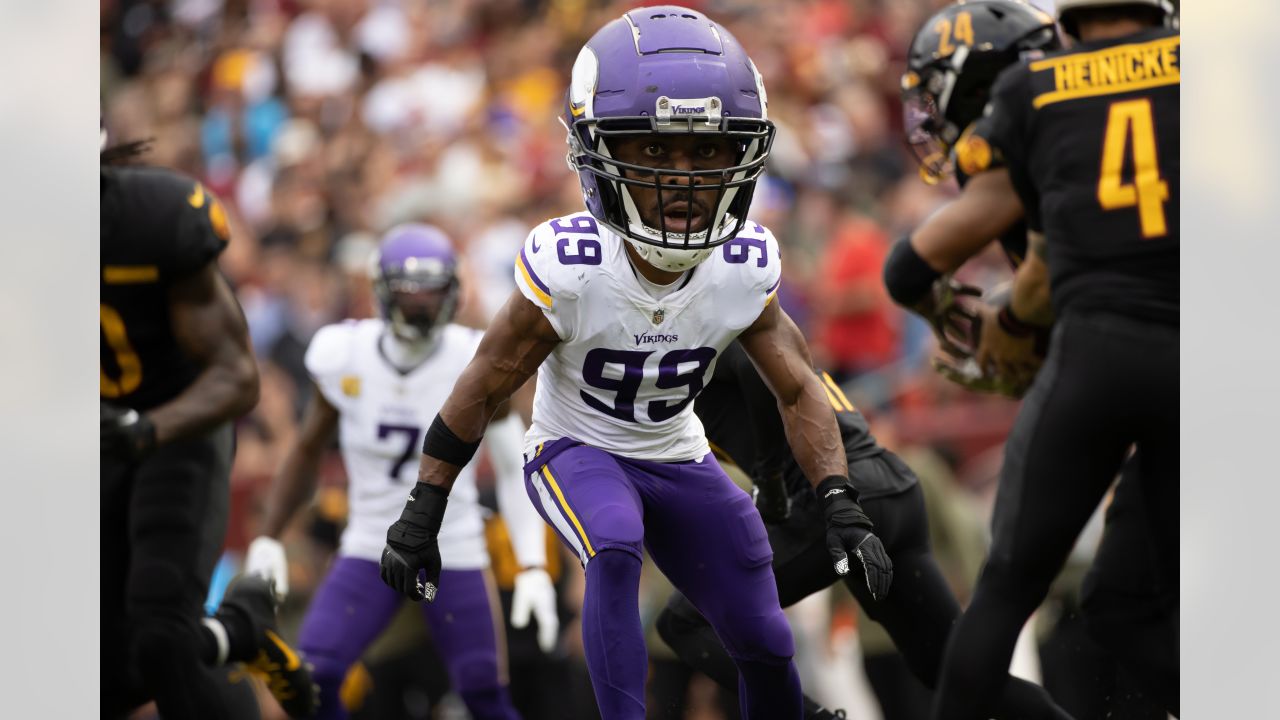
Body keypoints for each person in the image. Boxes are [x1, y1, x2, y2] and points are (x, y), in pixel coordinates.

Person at [376, 7, 893, 720]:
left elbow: (800, 389)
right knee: (613, 543)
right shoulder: (571, 266)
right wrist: (421, 511)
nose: (682, 179)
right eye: (654, 150)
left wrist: (840, 504)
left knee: (766, 638)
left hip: (677, 453)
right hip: (575, 447)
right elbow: (484, 383)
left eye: (708, 153)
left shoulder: (743, 264)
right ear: (598, 153)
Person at [887, 4, 1178, 713]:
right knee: (1124, 600)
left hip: (1102, 354)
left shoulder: (1032, 94)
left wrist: (1001, 321)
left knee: (1007, 592)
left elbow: (931, 267)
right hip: (1210, 360)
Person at [654, 341, 1071, 720]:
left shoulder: (708, 324)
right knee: (950, 670)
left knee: (686, 622)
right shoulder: (705, 328)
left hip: (838, 497)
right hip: (888, 485)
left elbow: (751, 361)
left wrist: (772, 475)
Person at [246, 224, 559, 720]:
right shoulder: (344, 354)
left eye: (433, 294)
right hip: (370, 542)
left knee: (484, 694)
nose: (422, 307)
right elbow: (306, 450)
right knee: (313, 678)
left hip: (452, 545)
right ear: (381, 293)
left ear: (454, 293)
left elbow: (511, 467)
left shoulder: (472, 355)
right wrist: (268, 537)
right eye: (410, 295)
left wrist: (533, 565)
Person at [100, 138, 318, 719]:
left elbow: (238, 377)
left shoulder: (153, 221)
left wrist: (144, 430)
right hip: (93, 438)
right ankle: (238, 629)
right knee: (100, 678)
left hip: (177, 428)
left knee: (160, 637)